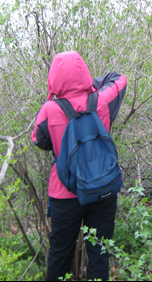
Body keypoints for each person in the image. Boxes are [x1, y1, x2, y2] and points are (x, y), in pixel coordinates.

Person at [31, 51, 127, 281]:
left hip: (65, 194)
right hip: (102, 188)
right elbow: (120, 79)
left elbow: (39, 141)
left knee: (60, 256)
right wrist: (89, 86)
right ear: (84, 71)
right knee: (99, 253)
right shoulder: (102, 100)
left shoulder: (48, 110)